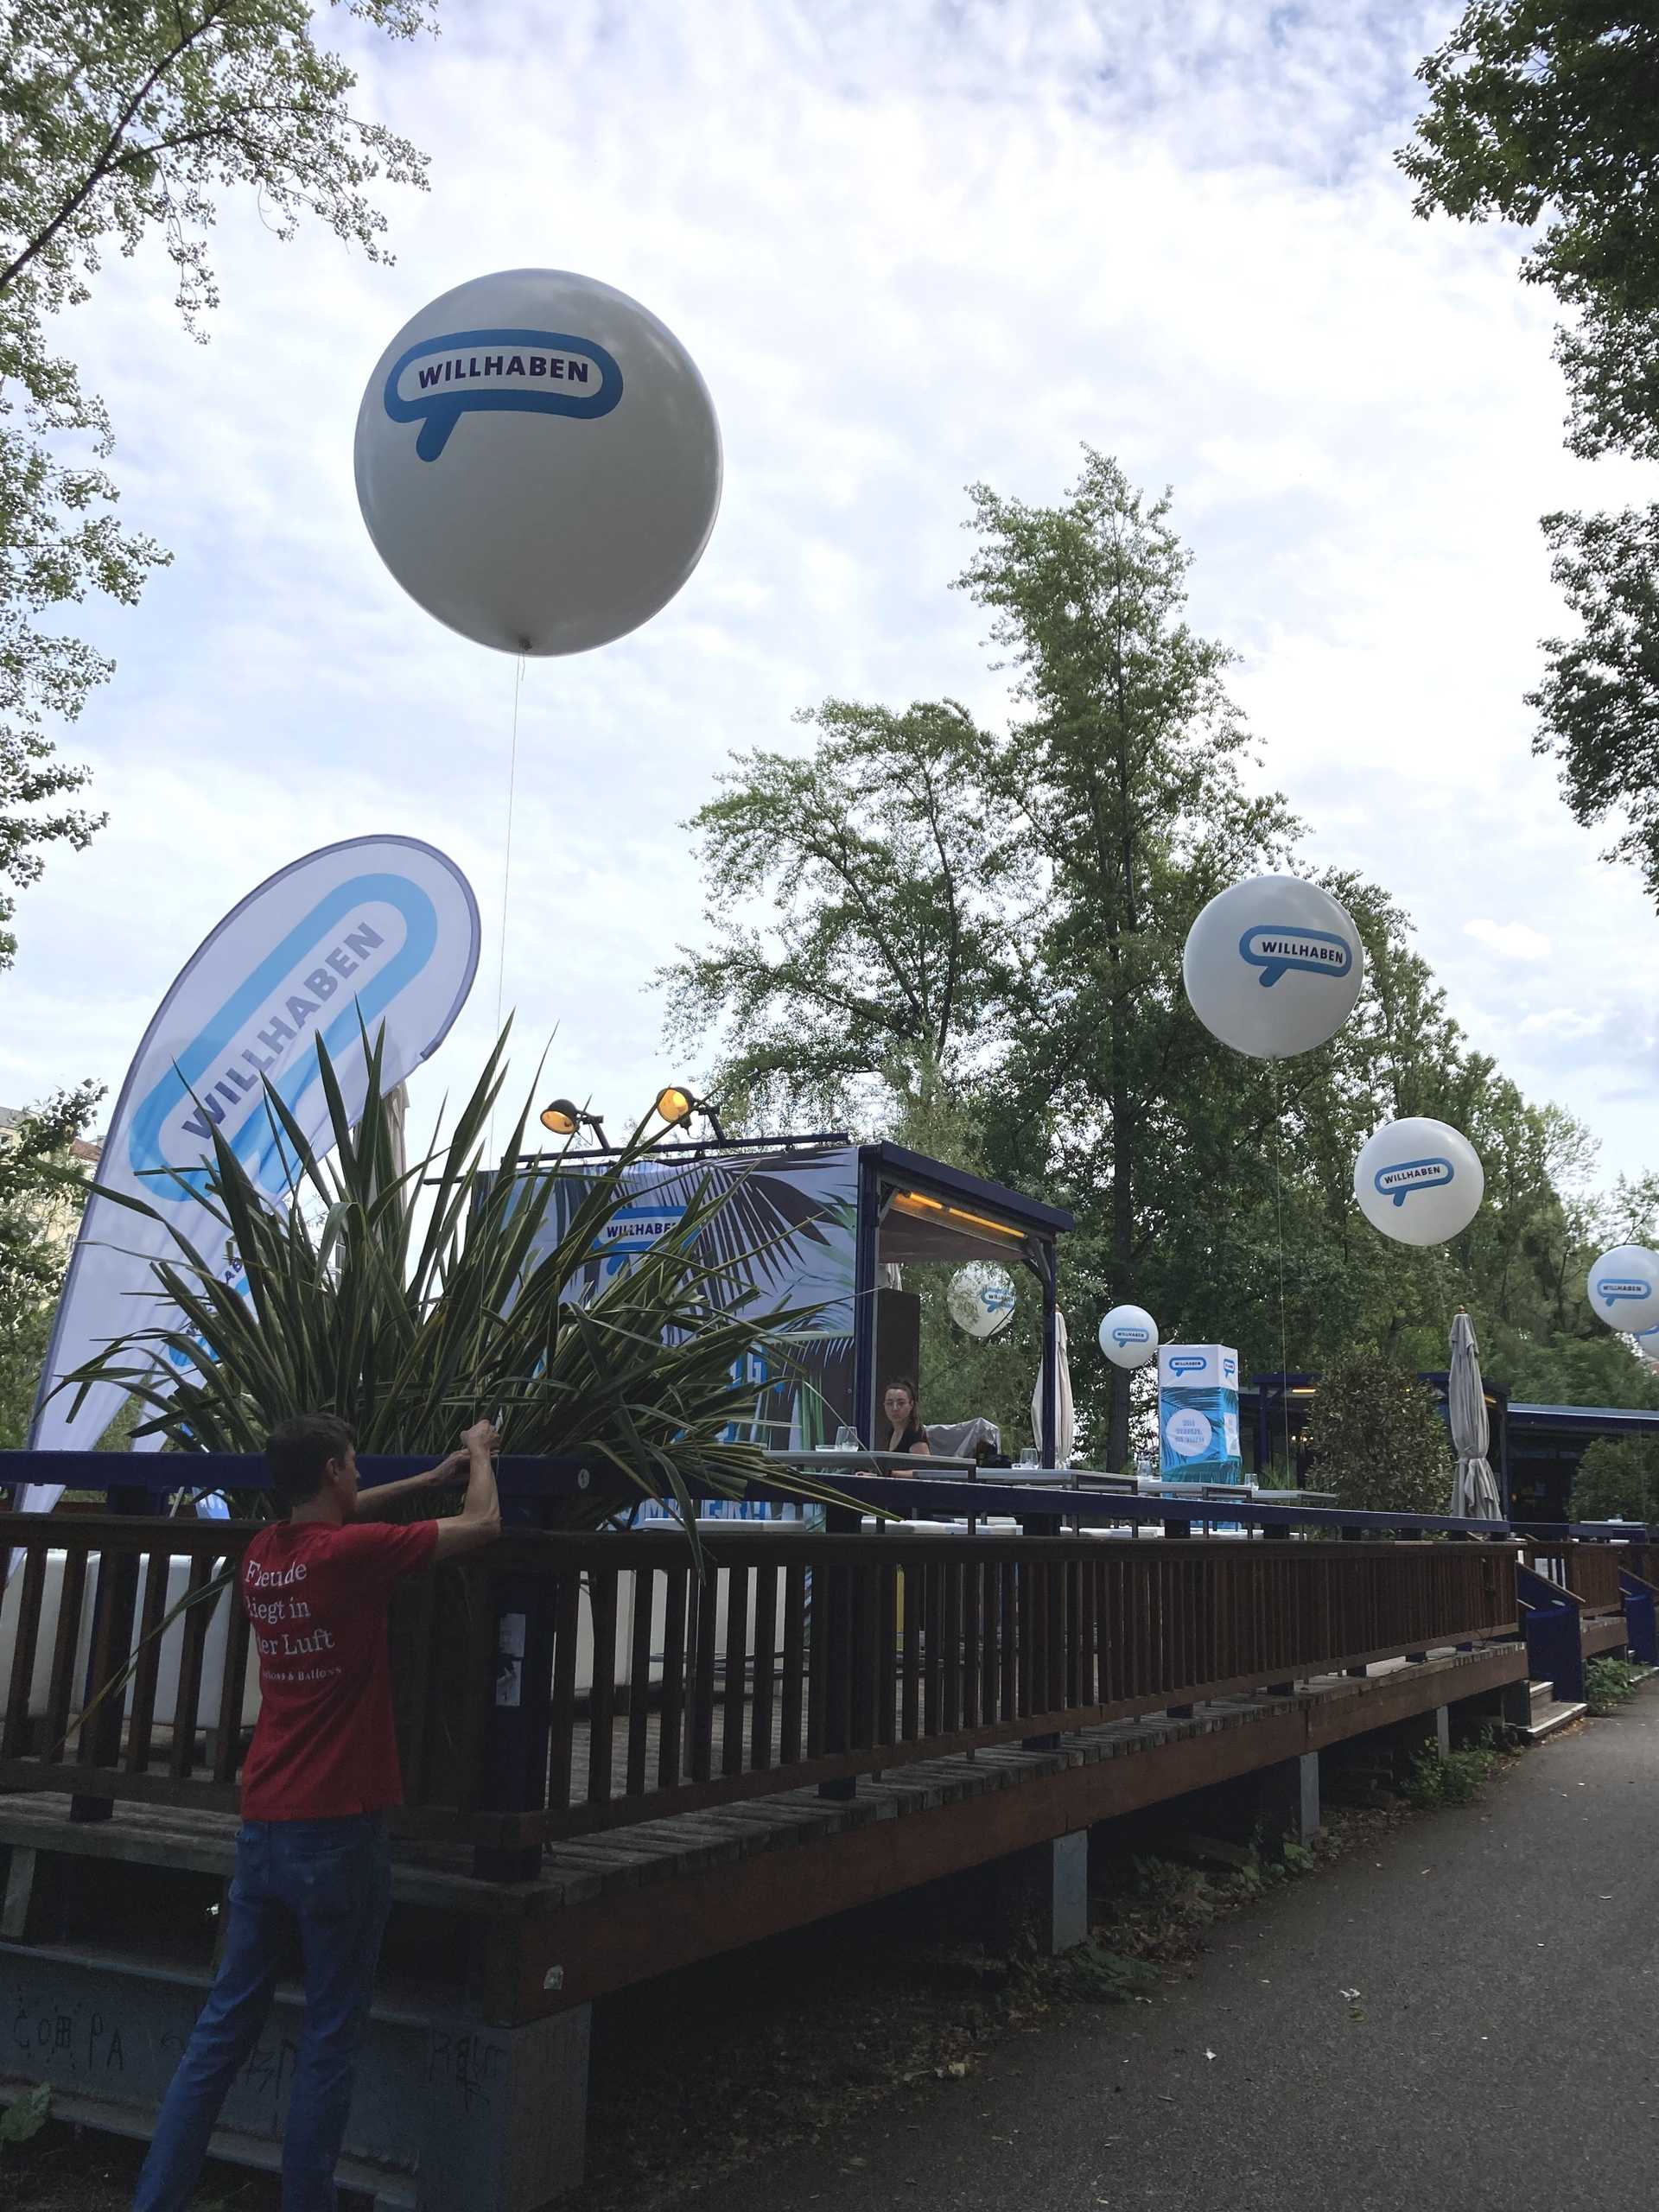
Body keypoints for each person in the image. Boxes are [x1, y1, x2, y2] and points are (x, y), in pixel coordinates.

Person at [131, 1413, 502, 2212]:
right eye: (354, 1464)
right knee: (330, 2038)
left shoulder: (263, 1556)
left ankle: (155, 2200)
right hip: (338, 1827)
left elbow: (345, 1516)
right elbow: (483, 1524)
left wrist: (425, 1479)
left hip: (265, 1822)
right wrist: (477, 1455)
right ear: (333, 1471)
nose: (360, 1474)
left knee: (220, 2033)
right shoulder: (349, 1558)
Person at [881, 1378, 931, 1458]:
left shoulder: (915, 1434)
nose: (895, 1408)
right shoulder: (891, 1432)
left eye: (901, 1403)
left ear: (911, 1405)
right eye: (889, 1403)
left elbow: (925, 1464)